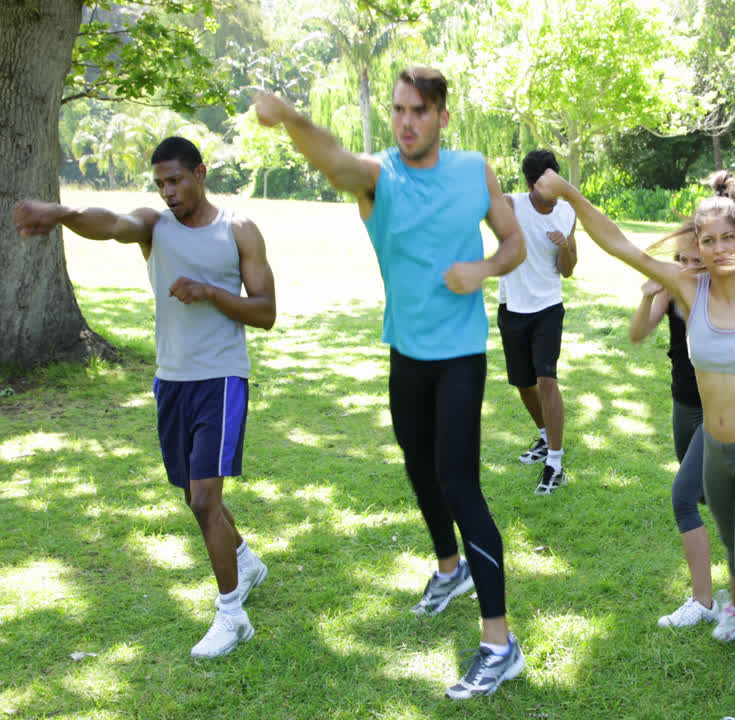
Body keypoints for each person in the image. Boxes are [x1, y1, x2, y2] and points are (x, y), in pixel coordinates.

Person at [252, 66, 527, 699]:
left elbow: (512, 241)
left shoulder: (472, 170)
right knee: (418, 466)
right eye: (400, 110)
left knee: (460, 484)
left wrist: (482, 268)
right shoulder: (379, 178)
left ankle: (498, 642)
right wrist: (294, 119)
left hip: (460, 354)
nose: (406, 122)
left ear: (442, 118)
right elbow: (333, 159)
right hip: (406, 352)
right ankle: (448, 568)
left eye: (419, 111)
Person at [536, 168, 735, 720]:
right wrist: (569, 193)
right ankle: (732, 609)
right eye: (705, 240)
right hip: (713, 448)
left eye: (726, 238)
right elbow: (617, 243)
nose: (715, 249)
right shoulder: (689, 287)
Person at [13, 136, 275, 659]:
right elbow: (108, 223)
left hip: (221, 378)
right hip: (171, 380)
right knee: (193, 496)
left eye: (176, 180)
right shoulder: (154, 226)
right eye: (160, 184)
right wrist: (61, 212)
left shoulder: (238, 230)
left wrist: (210, 293)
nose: (168, 192)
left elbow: (265, 311)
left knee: (205, 499)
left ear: (201, 172)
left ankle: (231, 615)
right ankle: (245, 560)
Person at [628, 230, 720, 628]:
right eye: (680, 261)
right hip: (683, 404)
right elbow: (637, 334)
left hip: (719, 408)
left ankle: (705, 601)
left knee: (683, 496)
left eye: (694, 260)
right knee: (705, 494)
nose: (686, 268)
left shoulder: (726, 294)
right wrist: (650, 293)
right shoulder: (670, 291)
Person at [499, 149, 577, 495]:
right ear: (531, 184)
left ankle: (556, 463)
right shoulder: (512, 205)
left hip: (548, 306)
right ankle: (545, 438)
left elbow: (569, 270)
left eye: (555, 179)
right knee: (523, 383)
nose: (552, 188)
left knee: (547, 380)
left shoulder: (567, 211)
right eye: (544, 182)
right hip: (513, 306)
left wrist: (565, 245)